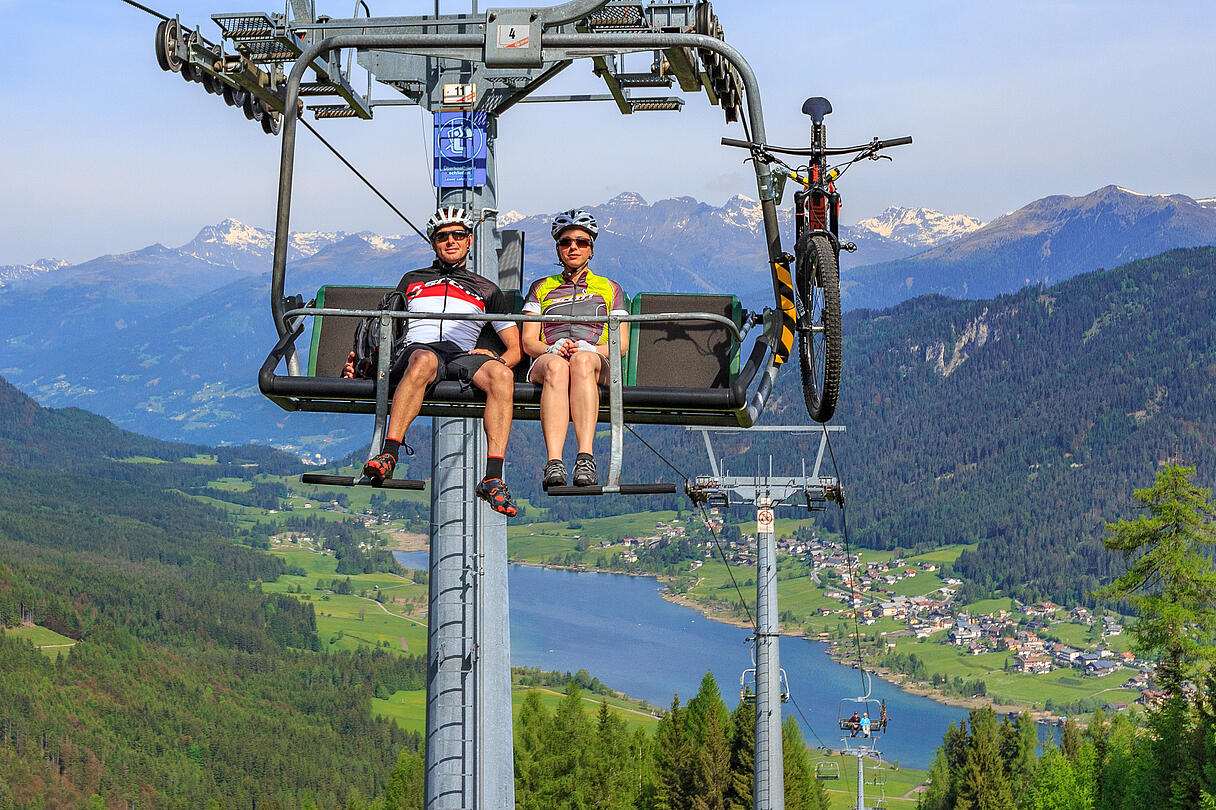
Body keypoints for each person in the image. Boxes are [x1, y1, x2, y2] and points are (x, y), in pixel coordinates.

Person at [343, 206, 522, 515]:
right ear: (433, 243)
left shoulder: (486, 289)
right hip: (417, 350)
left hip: (460, 354)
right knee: (424, 359)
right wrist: (362, 363)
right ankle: (389, 454)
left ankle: (493, 478)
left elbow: (516, 349)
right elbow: (386, 327)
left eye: (457, 235)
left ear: (469, 241)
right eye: (442, 237)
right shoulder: (412, 280)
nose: (450, 241)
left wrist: (496, 358)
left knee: (502, 377)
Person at [520, 210, 628, 489]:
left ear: (591, 248)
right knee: (557, 366)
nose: (573, 248)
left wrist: (590, 348)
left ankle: (585, 458)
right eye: (566, 242)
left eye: (581, 242)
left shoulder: (609, 288)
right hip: (550, 358)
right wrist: (551, 347)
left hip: (593, 360)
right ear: (557, 248)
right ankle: (554, 462)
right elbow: (529, 342)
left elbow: (622, 346)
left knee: (580, 361)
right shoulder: (541, 287)